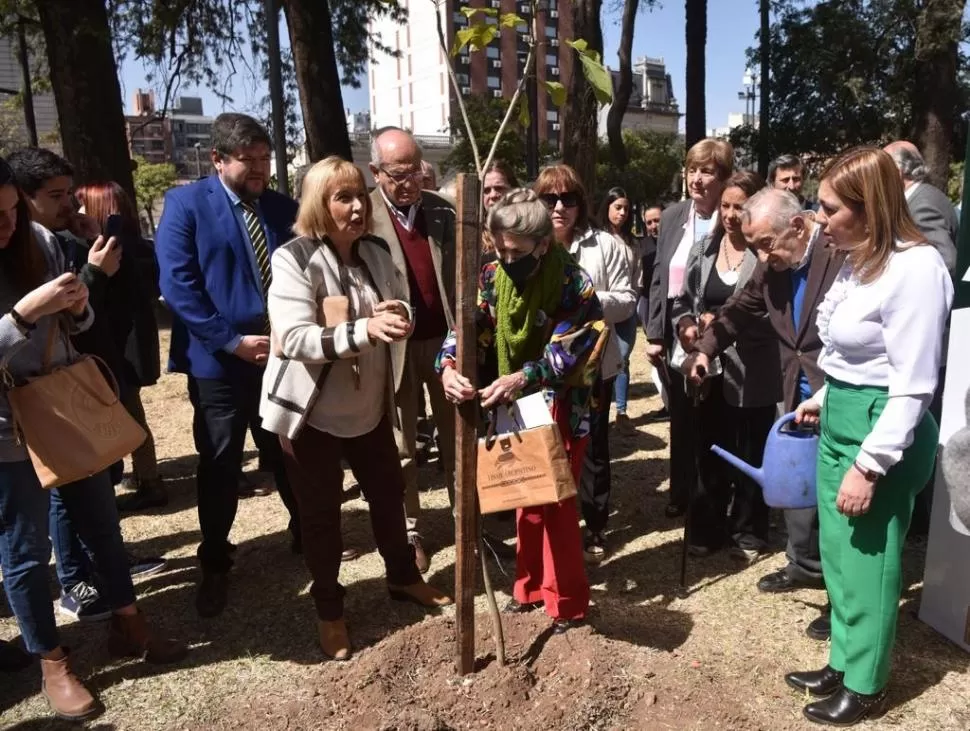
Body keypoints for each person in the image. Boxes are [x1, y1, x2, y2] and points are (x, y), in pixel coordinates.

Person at [0, 157, 185, 721]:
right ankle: (51, 659)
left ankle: (130, 624)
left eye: (10, 210)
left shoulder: (39, 241)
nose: (7, 225)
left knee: (102, 521)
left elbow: (76, 327)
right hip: (7, 427)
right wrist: (23, 315)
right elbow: (26, 325)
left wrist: (78, 306)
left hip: (63, 406)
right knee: (27, 552)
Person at [782, 147, 951, 725]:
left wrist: (870, 465)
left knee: (869, 561)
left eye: (829, 208)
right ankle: (843, 659)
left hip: (881, 433)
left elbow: (912, 384)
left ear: (869, 206)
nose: (819, 218)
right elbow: (858, 356)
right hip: (844, 415)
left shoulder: (916, 268)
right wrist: (825, 397)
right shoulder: (861, 259)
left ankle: (868, 682)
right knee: (838, 554)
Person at [260, 156, 452, 661]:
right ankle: (330, 610)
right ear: (319, 205)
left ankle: (404, 578)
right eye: (342, 197)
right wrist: (365, 329)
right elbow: (295, 337)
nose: (356, 207)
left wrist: (399, 314)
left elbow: (399, 300)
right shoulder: (292, 259)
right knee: (321, 516)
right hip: (313, 414)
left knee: (388, 494)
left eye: (360, 197)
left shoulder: (376, 250)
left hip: (368, 407)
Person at [156, 112, 301, 618]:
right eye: (250, 160)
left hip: (282, 357)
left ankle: (304, 533)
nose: (261, 169)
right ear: (218, 159)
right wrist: (233, 342)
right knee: (220, 462)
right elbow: (179, 286)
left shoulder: (283, 208)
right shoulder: (186, 204)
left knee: (287, 449)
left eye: (266, 159)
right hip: (219, 365)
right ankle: (215, 560)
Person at [438, 189, 603, 632]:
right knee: (521, 494)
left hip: (562, 402)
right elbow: (469, 324)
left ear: (542, 245)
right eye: (499, 248)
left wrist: (519, 379)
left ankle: (566, 600)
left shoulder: (573, 282)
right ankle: (528, 588)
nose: (506, 258)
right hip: (512, 403)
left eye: (516, 251)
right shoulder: (492, 276)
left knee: (557, 502)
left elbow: (573, 348)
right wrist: (449, 365)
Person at [686, 187, 844, 639]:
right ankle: (803, 564)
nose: (759, 253)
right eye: (753, 245)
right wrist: (705, 351)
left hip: (838, 389)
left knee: (835, 499)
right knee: (798, 482)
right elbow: (737, 310)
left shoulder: (839, 252)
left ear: (798, 226)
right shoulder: (774, 264)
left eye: (764, 244)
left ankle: (841, 597)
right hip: (795, 389)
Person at [672, 170, 781, 558]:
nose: (732, 215)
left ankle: (750, 530)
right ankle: (708, 526)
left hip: (753, 367)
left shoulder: (765, 253)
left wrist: (721, 325)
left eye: (740, 207)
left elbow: (773, 313)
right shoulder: (704, 247)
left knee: (751, 449)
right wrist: (686, 324)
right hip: (710, 365)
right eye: (726, 206)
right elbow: (683, 299)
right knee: (711, 446)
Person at [535, 165, 635, 561]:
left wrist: (585, 303)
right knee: (543, 442)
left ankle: (594, 526)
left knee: (592, 444)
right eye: (549, 199)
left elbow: (627, 300)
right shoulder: (529, 243)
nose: (559, 207)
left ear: (580, 203)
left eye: (568, 199)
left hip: (593, 365)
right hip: (540, 369)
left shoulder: (604, 246)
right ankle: (548, 523)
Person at [368, 127, 456, 574]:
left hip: (445, 345)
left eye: (415, 172)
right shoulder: (363, 217)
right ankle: (411, 529)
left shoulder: (445, 212)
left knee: (457, 436)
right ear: (376, 172)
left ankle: (467, 521)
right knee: (402, 445)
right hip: (394, 349)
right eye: (397, 174)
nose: (408, 182)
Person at [647, 138, 734, 519]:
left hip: (721, 334)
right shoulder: (672, 216)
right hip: (677, 333)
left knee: (717, 418)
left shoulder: (731, 217)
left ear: (724, 177)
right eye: (692, 170)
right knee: (681, 418)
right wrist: (653, 333)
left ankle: (716, 495)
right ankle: (681, 491)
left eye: (708, 172)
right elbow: (658, 279)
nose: (697, 179)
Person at [74, 182, 166, 512]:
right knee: (132, 410)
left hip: (119, 346)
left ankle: (151, 480)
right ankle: (144, 475)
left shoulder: (111, 250)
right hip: (132, 343)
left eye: (83, 205)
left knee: (130, 414)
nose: (77, 212)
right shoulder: (138, 244)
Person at [597, 186, 641, 426]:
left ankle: (621, 412)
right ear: (607, 207)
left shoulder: (633, 243)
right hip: (602, 310)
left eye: (626, 208)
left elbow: (638, 279)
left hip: (626, 310)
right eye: (618, 207)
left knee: (622, 358)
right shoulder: (597, 239)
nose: (622, 213)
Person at [883, 140, 958, 272]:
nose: (876, 179)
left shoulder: (922, 207)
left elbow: (946, 263)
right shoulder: (920, 197)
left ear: (896, 172)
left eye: (880, 171)